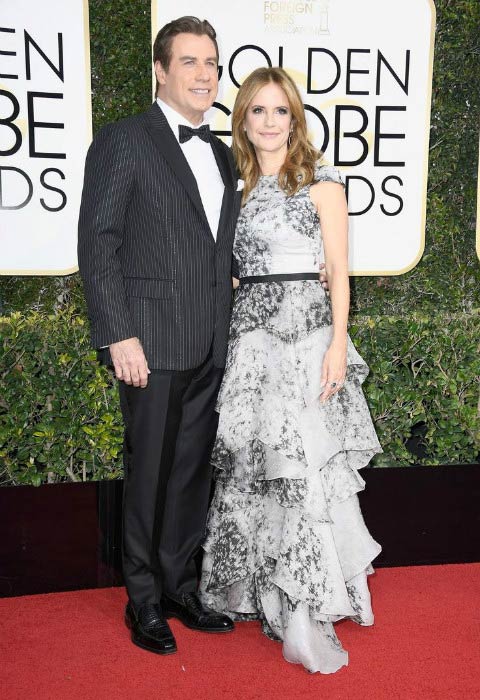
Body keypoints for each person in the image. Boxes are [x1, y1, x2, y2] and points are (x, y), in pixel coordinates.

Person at [199, 67, 382, 674]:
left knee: (302, 466)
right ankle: (256, 591)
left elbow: (339, 270)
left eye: (280, 111)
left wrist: (338, 343)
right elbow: (229, 269)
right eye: (258, 111)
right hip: (250, 343)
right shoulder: (235, 185)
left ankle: (305, 606)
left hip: (305, 340)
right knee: (256, 468)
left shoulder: (322, 184)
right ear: (243, 119)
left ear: (294, 118)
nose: (270, 122)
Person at [78, 16, 240, 655]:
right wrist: (120, 335)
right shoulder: (123, 141)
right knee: (147, 473)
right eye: (191, 62)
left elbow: (216, 247)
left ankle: (180, 586)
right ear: (161, 69)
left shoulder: (223, 151)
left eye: (212, 64)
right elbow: (100, 244)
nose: (205, 75)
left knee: (189, 473)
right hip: (148, 342)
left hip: (207, 341)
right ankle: (142, 601)